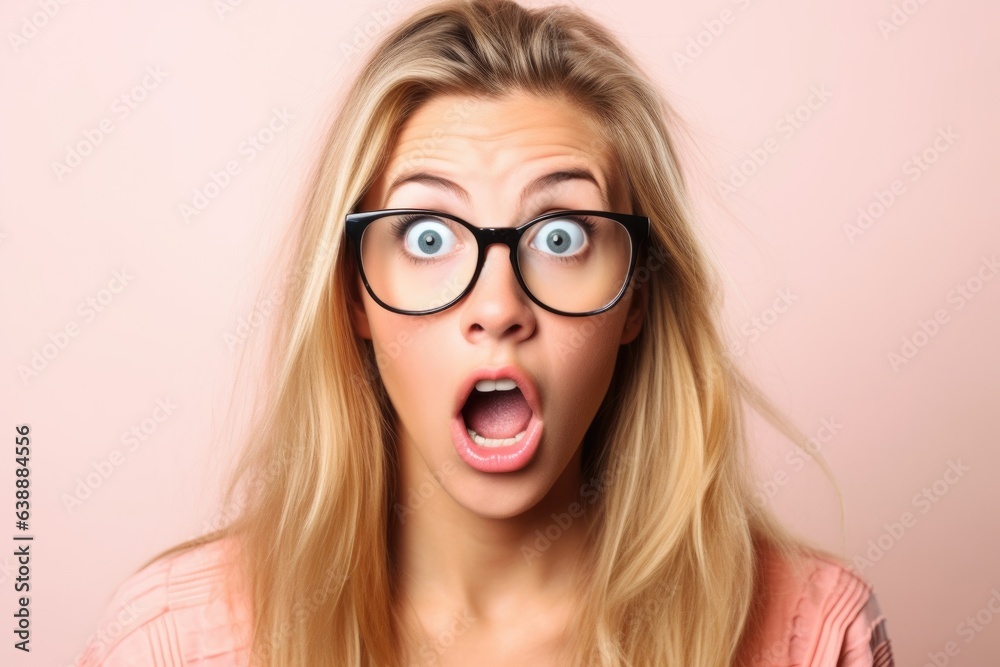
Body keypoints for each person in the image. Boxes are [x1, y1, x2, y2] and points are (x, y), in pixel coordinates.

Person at [76, 0, 894, 665]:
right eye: (429, 236)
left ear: (637, 298)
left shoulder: (811, 636)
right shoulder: (170, 644)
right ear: (353, 294)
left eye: (562, 236)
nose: (499, 305)